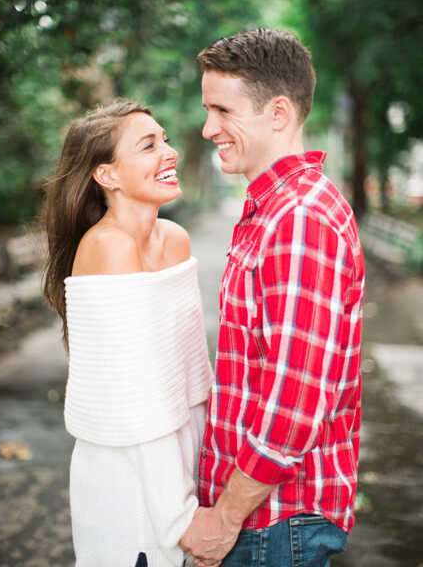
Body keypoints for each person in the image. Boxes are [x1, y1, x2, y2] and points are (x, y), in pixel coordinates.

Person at [180, 29, 365, 567]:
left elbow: (294, 405)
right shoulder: (274, 209)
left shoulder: (300, 219)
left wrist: (226, 516)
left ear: (278, 113)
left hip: (273, 528)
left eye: (222, 110)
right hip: (268, 524)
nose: (208, 127)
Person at [42, 100, 215, 567]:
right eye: (148, 145)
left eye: (165, 139)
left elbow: (194, 386)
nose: (170, 151)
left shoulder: (174, 239)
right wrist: (179, 519)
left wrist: (203, 490)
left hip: (181, 473)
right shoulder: (107, 248)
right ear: (107, 176)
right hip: (127, 484)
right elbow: (139, 409)